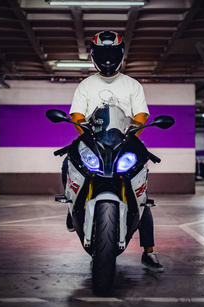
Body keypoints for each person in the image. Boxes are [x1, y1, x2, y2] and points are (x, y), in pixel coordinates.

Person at [64, 30, 163, 273]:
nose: (107, 58)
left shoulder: (132, 85)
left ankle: (149, 252)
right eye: (103, 53)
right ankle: (71, 206)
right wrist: (86, 134)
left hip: (125, 143)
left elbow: (141, 115)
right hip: (94, 141)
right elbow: (77, 114)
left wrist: (131, 135)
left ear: (120, 54)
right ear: (94, 55)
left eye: (111, 53)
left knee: (142, 197)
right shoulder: (86, 85)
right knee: (69, 161)